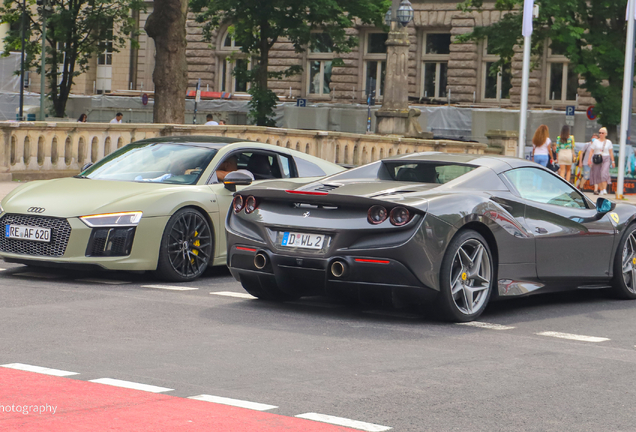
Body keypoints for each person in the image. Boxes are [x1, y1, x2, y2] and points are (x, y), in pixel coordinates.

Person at [588, 127, 615, 195]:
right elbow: (591, 151)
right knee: (598, 174)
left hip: (606, 158)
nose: (601, 134)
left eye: (602, 133)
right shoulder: (595, 141)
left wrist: (613, 161)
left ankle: (604, 189)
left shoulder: (608, 142)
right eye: (600, 133)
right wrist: (589, 160)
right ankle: (601, 189)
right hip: (597, 158)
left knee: (604, 173)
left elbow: (611, 152)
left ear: (606, 134)